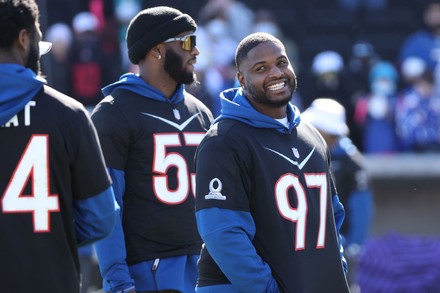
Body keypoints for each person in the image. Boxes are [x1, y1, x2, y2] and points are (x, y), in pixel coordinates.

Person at [194, 32, 349, 292]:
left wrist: (335, 269)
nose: (276, 73)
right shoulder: (223, 141)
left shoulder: (312, 135)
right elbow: (222, 233)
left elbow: (331, 216)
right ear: (242, 79)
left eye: (281, 62)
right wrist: (268, 289)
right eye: (261, 68)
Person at [91, 6, 214, 293]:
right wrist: (119, 282)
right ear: (157, 51)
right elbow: (106, 209)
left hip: (206, 270)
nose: (195, 52)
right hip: (148, 272)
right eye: (187, 42)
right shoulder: (114, 113)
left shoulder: (202, 113)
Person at [0, 1, 118, 292]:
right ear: (24, 38)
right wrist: (51, 233)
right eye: (39, 33)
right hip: (50, 278)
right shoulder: (69, 113)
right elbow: (101, 218)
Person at [302, 98, 374, 288]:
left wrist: (352, 246)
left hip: (338, 246)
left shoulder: (351, 164)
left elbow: (361, 209)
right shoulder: (303, 154)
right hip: (306, 245)